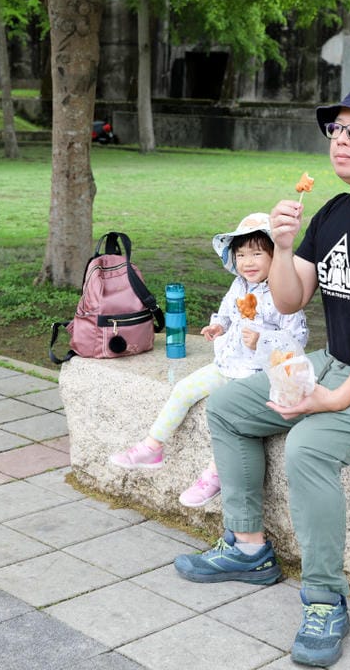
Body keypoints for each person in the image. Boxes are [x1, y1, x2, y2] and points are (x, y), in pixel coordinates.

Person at [173, 80, 350, 667]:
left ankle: (325, 599)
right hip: (338, 360)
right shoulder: (333, 212)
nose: (341, 141)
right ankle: (248, 547)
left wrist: (338, 397)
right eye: (336, 129)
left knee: (308, 447)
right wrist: (281, 246)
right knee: (228, 408)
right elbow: (291, 297)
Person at [108, 213, 309, 508]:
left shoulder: (285, 295)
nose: (248, 262)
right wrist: (217, 327)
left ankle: (213, 476)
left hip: (256, 377)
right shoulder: (239, 286)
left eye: (257, 254)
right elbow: (227, 314)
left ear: (275, 257)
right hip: (226, 366)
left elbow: (298, 340)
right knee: (183, 390)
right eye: (241, 255)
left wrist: (263, 339)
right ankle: (152, 446)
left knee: (225, 418)